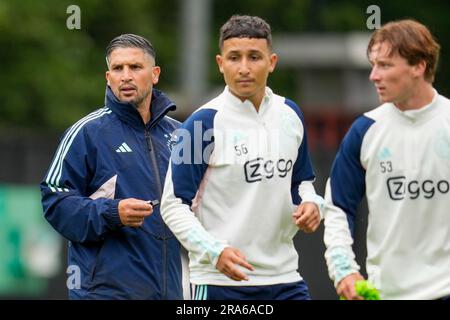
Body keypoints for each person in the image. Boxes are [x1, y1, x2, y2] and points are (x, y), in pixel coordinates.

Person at [161, 15, 324, 300]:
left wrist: (312, 204)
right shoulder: (202, 125)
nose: (244, 68)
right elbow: (173, 205)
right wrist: (214, 251)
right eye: (234, 57)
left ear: (271, 62)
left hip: (285, 278)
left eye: (254, 57)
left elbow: (302, 183)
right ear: (220, 63)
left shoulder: (290, 114)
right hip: (218, 283)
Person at [40, 34, 184, 299]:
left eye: (135, 67)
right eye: (118, 68)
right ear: (108, 77)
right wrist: (112, 213)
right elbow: (55, 202)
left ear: (155, 74)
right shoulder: (86, 133)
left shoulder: (180, 136)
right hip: (103, 293)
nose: (126, 76)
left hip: (170, 291)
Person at [323, 19, 450, 300]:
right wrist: (343, 270)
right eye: (373, 65)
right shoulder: (364, 130)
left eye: (385, 65)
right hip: (386, 293)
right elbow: (337, 208)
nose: (374, 76)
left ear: (419, 66)